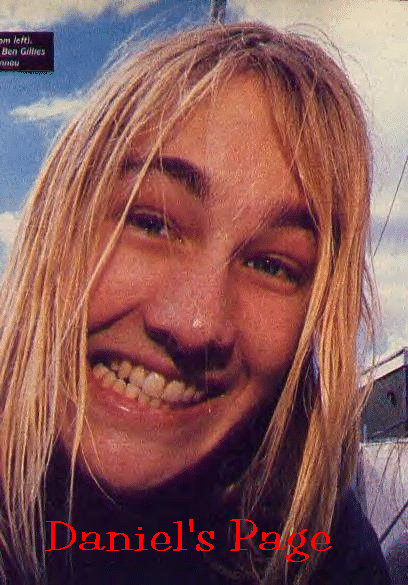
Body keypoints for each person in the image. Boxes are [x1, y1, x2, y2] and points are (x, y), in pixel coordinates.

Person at [0, 22, 390, 585]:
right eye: (152, 222)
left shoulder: (328, 555)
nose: (193, 322)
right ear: (55, 226)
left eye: (272, 265)